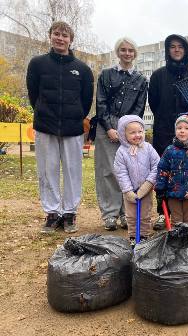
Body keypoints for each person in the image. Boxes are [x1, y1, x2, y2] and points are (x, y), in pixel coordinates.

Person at [26, 21, 94, 234]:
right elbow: (33, 95)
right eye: (56, 34)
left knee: (73, 171)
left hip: (73, 128)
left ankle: (70, 213)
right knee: (47, 170)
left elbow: (86, 100)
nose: (60, 38)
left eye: (65, 36)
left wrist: (74, 116)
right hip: (46, 125)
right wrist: (44, 112)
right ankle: (52, 213)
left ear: (70, 40)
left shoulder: (82, 69)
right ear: (50, 36)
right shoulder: (37, 64)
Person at [95, 37, 148, 231]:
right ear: (118, 52)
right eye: (123, 50)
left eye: (130, 50)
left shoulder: (141, 80)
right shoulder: (106, 75)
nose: (127, 53)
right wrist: (110, 127)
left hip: (129, 130)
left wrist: (128, 130)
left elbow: (139, 107)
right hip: (106, 127)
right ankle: (110, 214)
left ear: (135, 53)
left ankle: (127, 213)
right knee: (108, 171)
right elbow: (100, 102)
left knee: (130, 171)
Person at [148, 34, 188, 229]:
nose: (176, 50)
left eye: (180, 47)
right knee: (164, 173)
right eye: (173, 47)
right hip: (163, 132)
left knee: (185, 174)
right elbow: (153, 102)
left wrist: (187, 126)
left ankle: (186, 213)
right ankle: (163, 213)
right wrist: (165, 119)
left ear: (186, 50)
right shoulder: (158, 76)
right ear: (168, 50)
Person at [155, 113, 188, 226]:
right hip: (173, 193)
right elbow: (162, 170)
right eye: (179, 128)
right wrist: (160, 190)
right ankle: (177, 243)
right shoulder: (170, 150)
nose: (182, 131)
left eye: (186, 128)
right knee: (176, 221)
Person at [113, 115, 160, 247]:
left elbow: (157, 166)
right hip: (130, 191)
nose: (137, 135)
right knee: (131, 215)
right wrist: (128, 191)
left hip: (146, 190)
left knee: (145, 214)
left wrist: (148, 184)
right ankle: (134, 236)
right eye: (132, 132)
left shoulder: (148, 148)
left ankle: (144, 235)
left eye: (140, 131)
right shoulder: (121, 152)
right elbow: (121, 173)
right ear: (123, 134)